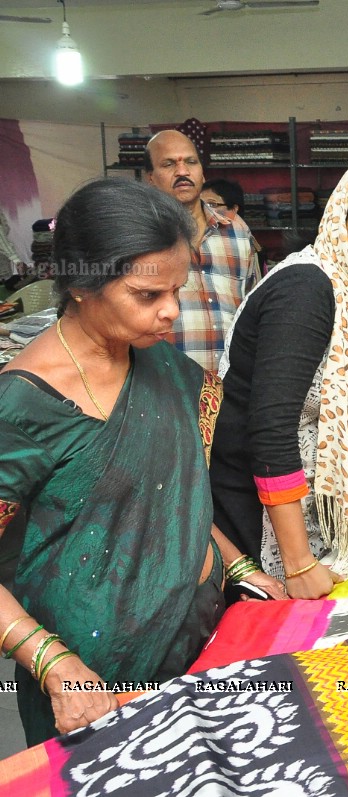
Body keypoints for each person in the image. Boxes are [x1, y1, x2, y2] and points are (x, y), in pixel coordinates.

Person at [0, 179, 282, 746]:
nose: (172, 313)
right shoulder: (24, 406)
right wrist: (54, 664)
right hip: (93, 677)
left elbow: (175, 503)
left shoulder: (164, 370)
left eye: (178, 289)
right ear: (82, 284)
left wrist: (242, 570)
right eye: (147, 295)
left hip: (202, 639)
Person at [209, 159, 348, 601]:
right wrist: (296, 564)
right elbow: (272, 428)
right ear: (339, 218)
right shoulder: (306, 289)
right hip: (258, 498)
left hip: (320, 487)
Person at [145, 130, 259, 372]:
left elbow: (255, 309)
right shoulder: (140, 236)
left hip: (232, 387)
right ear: (151, 178)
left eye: (190, 162)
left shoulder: (236, 229)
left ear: (202, 172)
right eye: (168, 164)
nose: (183, 172)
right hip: (167, 387)